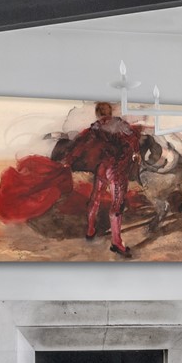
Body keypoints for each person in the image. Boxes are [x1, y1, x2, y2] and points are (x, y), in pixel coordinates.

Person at [52, 101, 145, 257]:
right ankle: (116, 243)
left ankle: (90, 230)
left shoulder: (95, 127)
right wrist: (135, 153)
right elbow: (133, 140)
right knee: (117, 205)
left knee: (95, 198)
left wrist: (68, 159)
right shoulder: (121, 125)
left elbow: (81, 143)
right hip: (118, 170)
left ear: (98, 114)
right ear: (110, 112)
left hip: (103, 167)